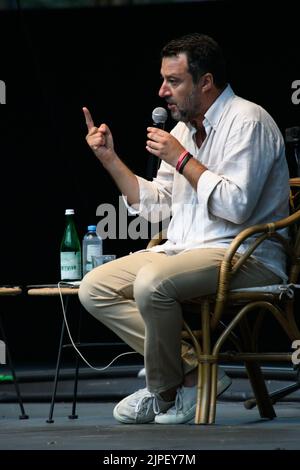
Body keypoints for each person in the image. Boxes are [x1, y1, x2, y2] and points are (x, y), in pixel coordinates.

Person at [79, 33, 290, 424]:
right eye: (163, 80)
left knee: (152, 282)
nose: (162, 91)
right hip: (186, 250)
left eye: (173, 81)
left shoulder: (249, 121)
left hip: (245, 253)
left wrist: (182, 161)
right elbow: (156, 210)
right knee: (95, 288)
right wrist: (110, 160)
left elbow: (237, 207)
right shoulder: (182, 131)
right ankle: (191, 373)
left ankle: (161, 392)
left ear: (205, 82)